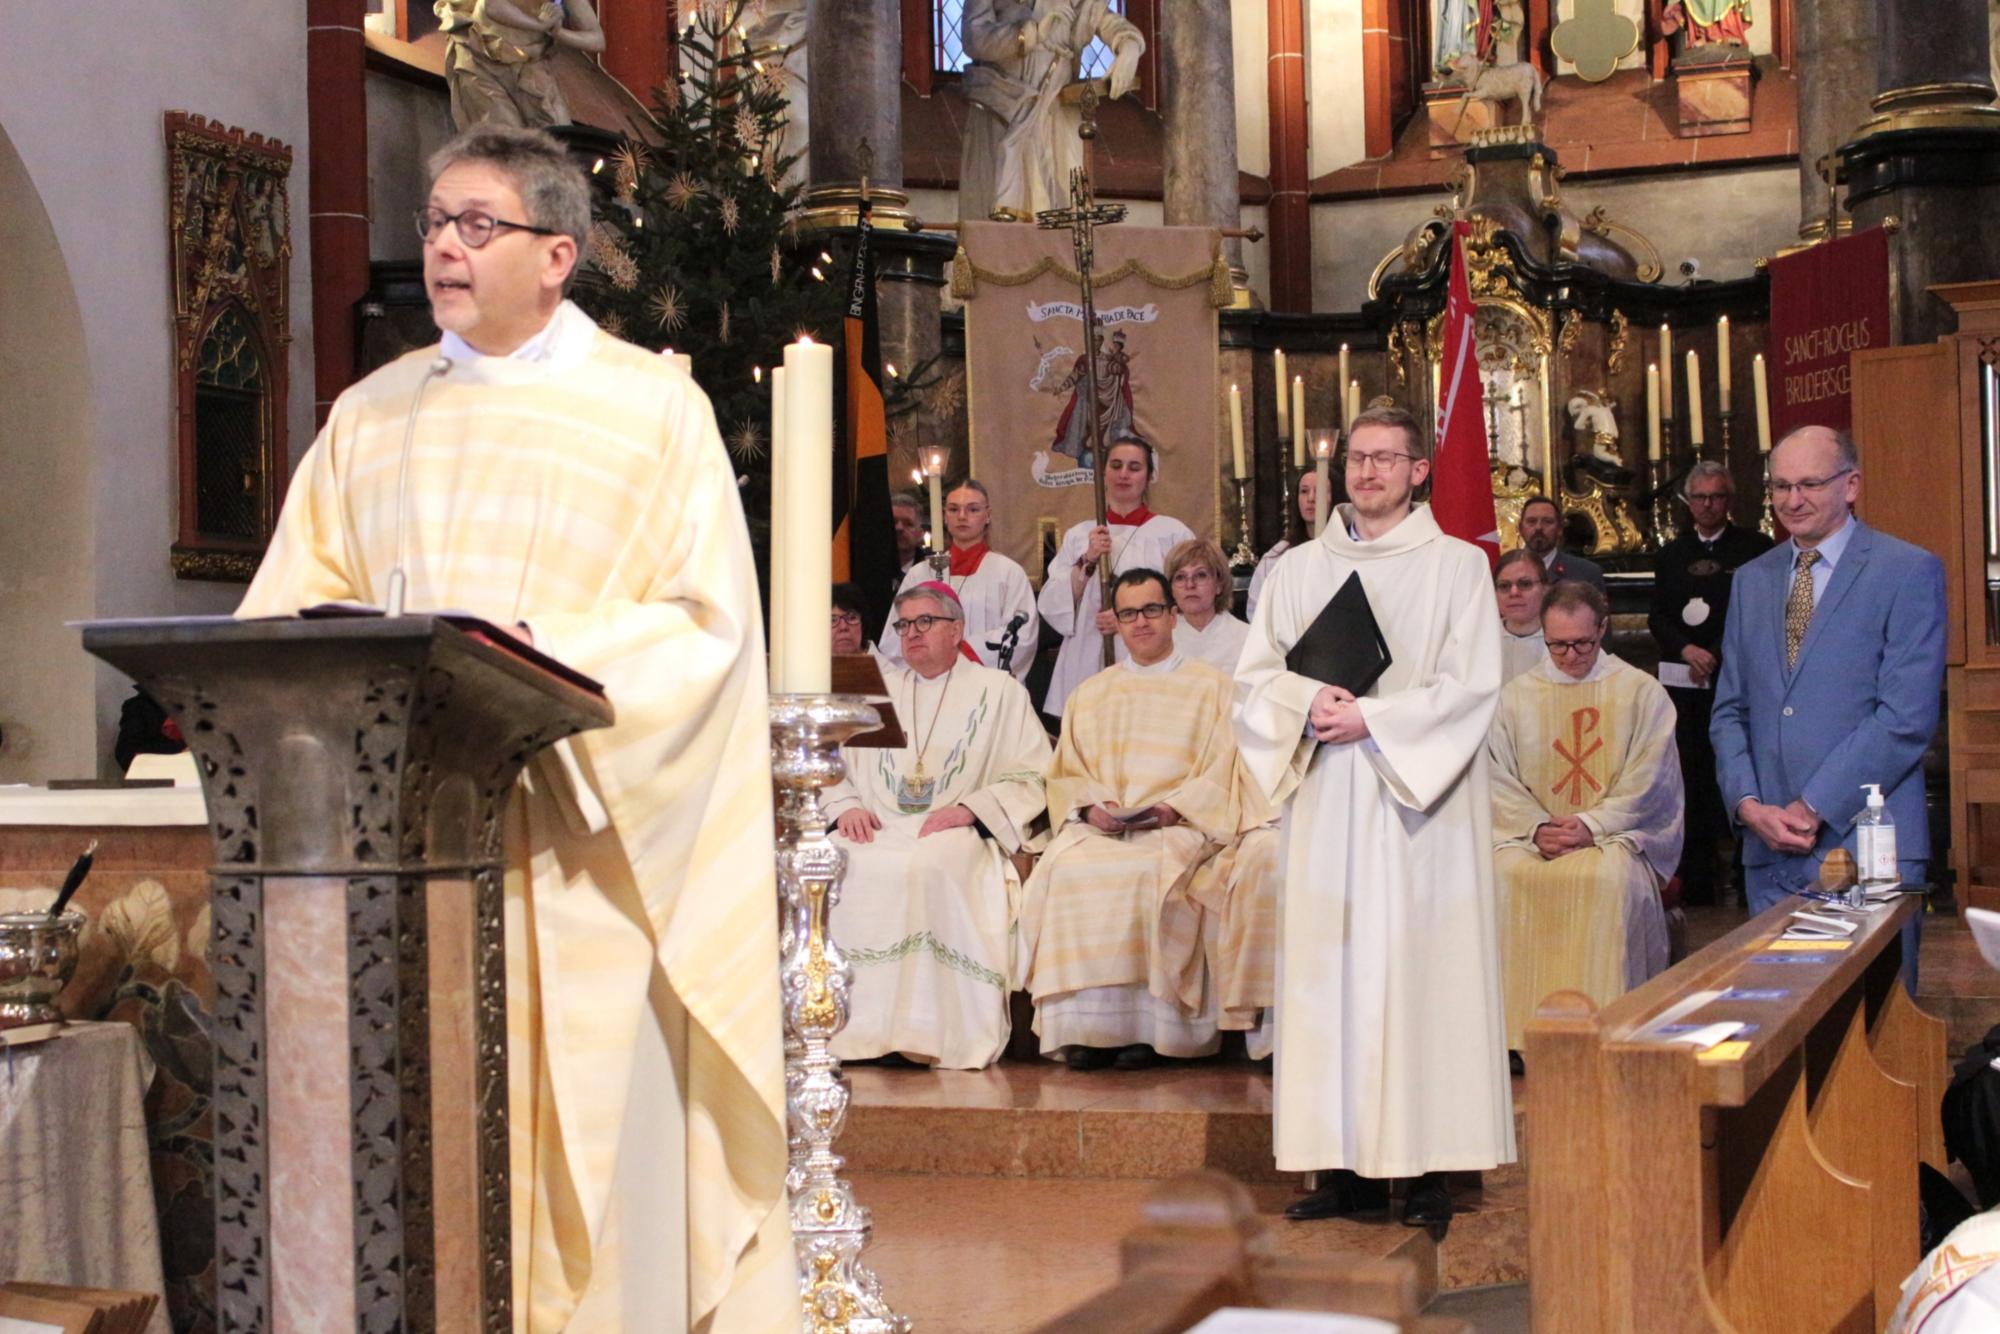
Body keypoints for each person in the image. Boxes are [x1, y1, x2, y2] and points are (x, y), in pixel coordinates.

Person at [235, 127, 793, 1330]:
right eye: (435, 219)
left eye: (475, 224)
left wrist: (523, 650)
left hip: (584, 853)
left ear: (556, 254)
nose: (442, 243)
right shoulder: (369, 417)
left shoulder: (651, 408)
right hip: (404, 864)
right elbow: (286, 614)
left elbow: (702, 628)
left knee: (594, 1172)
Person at [1235, 404, 1513, 1228]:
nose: (1369, 473)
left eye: (1387, 459)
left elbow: (1473, 687)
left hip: (1416, 808)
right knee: (1335, 979)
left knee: (1421, 975)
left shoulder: (1457, 566)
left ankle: (1426, 1172)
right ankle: (1345, 1170)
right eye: (1358, 458)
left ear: (1419, 470)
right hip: (1328, 796)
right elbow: (1253, 681)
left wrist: (1376, 720)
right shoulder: (1296, 570)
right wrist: (1309, 697)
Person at [1712, 425, 1946, 989]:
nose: (1792, 500)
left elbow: (1905, 718)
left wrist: (1814, 803)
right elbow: (1729, 712)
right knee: (1776, 1036)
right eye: (1780, 486)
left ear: (1852, 485)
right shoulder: (1751, 581)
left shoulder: (1906, 571)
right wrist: (1748, 805)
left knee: (1873, 1036)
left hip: (1867, 847)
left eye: (1810, 483)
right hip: (1770, 854)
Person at [1017, 568, 1270, 1071]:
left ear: (1173, 615)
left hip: (1178, 827)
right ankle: (1088, 1030)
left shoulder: (1214, 689)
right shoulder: (1091, 693)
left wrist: (1173, 808)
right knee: (1069, 869)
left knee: (1154, 869)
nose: (1141, 622)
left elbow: (1225, 770)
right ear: (1116, 621)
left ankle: (1153, 1033)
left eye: (1152, 609)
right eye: (1128, 613)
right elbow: (1066, 772)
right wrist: (1090, 809)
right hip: (1104, 826)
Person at [828, 583, 1053, 1069]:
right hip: (882, 828)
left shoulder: (999, 692)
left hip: (957, 831)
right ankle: (859, 1030)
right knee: (842, 862)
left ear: (956, 630)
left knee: (929, 865)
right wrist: (846, 804)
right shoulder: (879, 690)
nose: (912, 634)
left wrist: (972, 809)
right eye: (904, 625)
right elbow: (831, 763)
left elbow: (1034, 773)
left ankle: (923, 1031)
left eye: (925, 622)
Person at [1489, 580, 1679, 1054]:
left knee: (1608, 879)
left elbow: (1651, 781)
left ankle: (1608, 1035)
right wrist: (1537, 827)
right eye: (1557, 645)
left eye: (1582, 643)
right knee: (1502, 875)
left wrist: (1590, 825)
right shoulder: (1514, 698)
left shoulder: (1641, 693)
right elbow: (1494, 778)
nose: (1570, 655)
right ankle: (1518, 1040)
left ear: (1603, 629)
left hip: (1610, 838)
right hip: (1535, 840)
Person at [1647, 459, 1772, 905]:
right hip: (1683, 684)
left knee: (1740, 771)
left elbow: (1754, 613)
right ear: (1688, 502)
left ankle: (1745, 872)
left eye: (1716, 497)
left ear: (1729, 500)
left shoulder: (1757, 549)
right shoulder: (1671, 553)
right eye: (1699, 497)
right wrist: (1687, 650)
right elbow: (1657, 614)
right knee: (1691, 776)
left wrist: (1716, 652)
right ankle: (1696, 878)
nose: (1708, 505)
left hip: (1735, 679)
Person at [1038, 436, 1195, 718]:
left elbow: (1187, 601)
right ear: (1103, 475)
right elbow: (1053, 604)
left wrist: (1127, 619)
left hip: (1148, 653)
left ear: (1149, 477)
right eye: (1116, 465)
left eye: (1134, 467)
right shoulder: (1080, 535)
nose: (1124, 474)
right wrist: (1088, 559)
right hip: (1089, 652)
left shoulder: (1172, 533)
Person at [882, 478, 1040, 683]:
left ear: (988, 515)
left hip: (984, 684)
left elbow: (1022, 635)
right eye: (954, 509)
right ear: (944, 516)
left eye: (973, 509)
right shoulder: (920, 574)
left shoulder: (1008, 572)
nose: (962, 516)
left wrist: (957, 655)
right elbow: (896, 635)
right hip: (928, 684)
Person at [435, 0, 604, 132]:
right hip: (482, 58)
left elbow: (597, 41)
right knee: (505, 138)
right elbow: (492, 6)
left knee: (559, 135)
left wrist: (558, 32)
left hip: (530, 63)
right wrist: (540, 25)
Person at [1246, 470, 1320, 622]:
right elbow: (1256, 612)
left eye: (1320, 491)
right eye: (1304, 491)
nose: (1311, 498)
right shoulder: (1277, 556)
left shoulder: (1349, 548)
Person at [1168, 538, 1250, 672]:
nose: (1190, 585)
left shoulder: (1246, 638)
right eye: (1180, 577)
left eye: (1200, 575)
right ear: (1171, 589)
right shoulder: (1160, 638)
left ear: (1219, 584)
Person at [1517, 494, 1605, 590]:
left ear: (1559, 529)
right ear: (1521, 528)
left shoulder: (1586, 572)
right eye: (1531, 521)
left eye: (1547, 521)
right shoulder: (1504, 571)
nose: (1539, 527)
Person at [1494, 547, 1551, 684]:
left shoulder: (1567, 640)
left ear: (1545, 589)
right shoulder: (1479, 640)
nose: (1514, 593)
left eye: (1525, 584)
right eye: (1504, 586)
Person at [831, 581, 878, 659]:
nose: (843, 627)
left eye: (851, 618)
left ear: (863, 625)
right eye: (833, 620)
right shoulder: (807, 668)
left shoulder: (888, 671)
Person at [892, 490, 926, 576]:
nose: (899, 528)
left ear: (920, 534)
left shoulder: (931, 571)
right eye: (893, 522)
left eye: (908, 524)